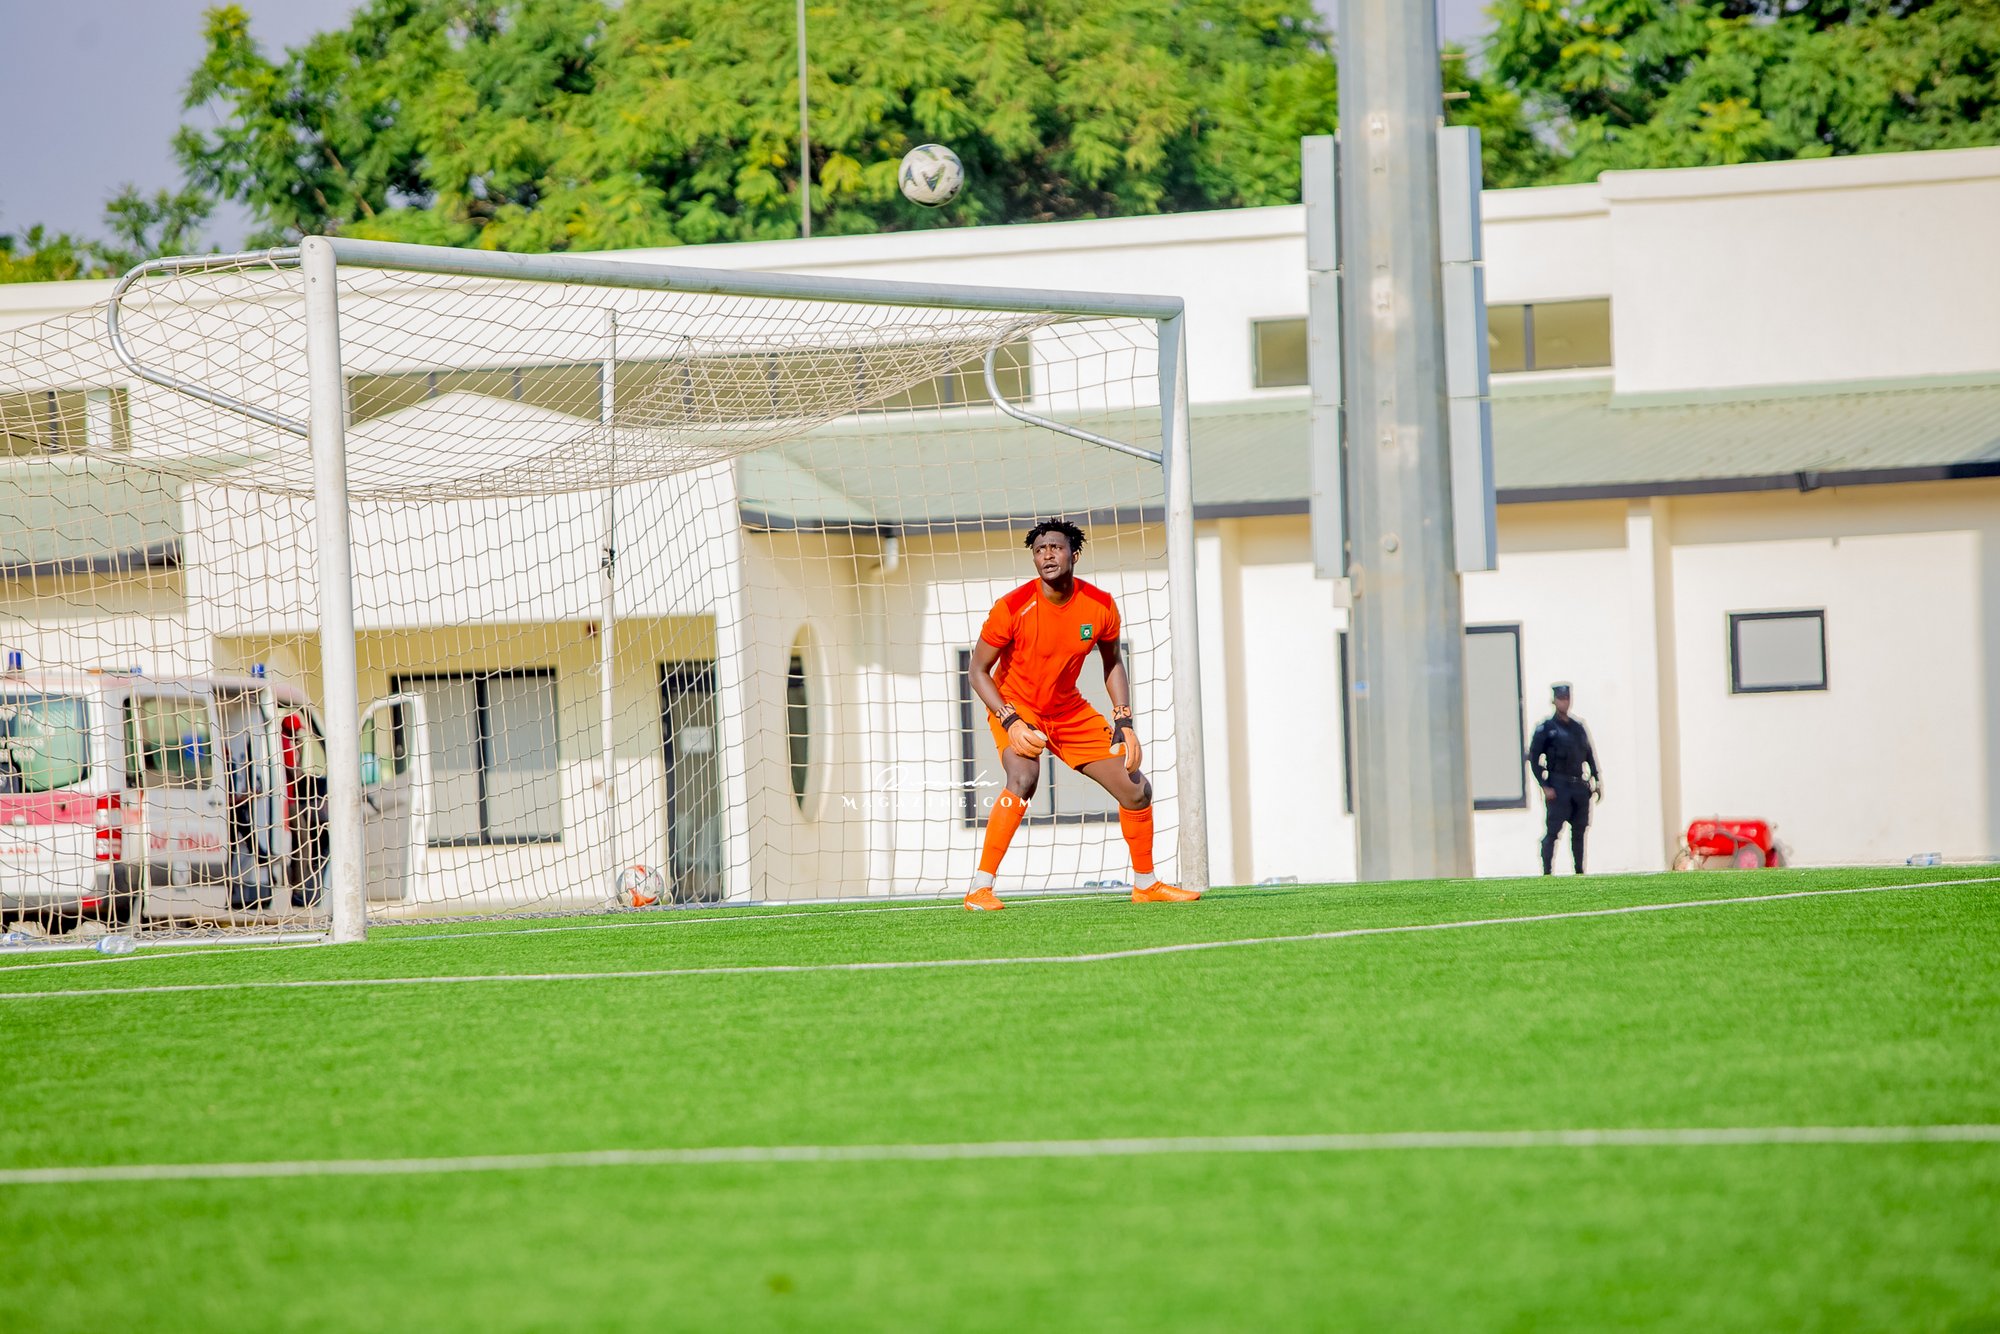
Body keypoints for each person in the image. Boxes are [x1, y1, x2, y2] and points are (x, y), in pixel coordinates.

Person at [962, 518, 1198, 911]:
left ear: (1074, 554)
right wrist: (1009, 719)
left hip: (1068, 710)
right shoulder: (1012, 607)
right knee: (1023, 777)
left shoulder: (1100, 605)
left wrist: (1124, 721)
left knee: (1136, 790)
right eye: (1040, 550)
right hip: (1017, 705)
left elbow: (1112, 662)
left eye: (1055, 547)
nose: (1047, 555)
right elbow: (977, 671)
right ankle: (979, 888)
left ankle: (1146, 884)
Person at [1526, 683, 1603, 875]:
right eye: (1561, 698)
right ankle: (1547, 872)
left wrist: (1596, 779)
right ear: (1554, 701)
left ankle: (1579, 871)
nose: (1564, 702)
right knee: (1553, 832)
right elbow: (1534, 759)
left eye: (1567, 698)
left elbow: (1589, 755)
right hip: (1558, 785)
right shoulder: (1546, 728)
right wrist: (1544, 786)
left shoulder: (1578, 727)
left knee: (1579, 832)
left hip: (1578, 786)